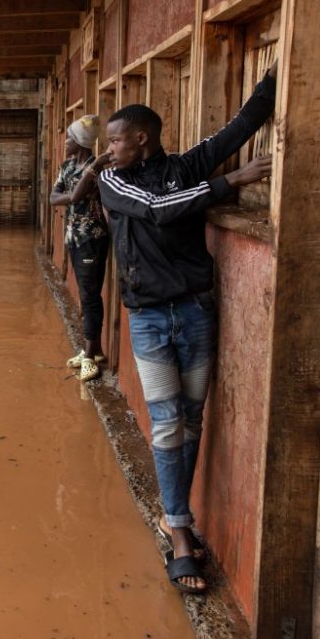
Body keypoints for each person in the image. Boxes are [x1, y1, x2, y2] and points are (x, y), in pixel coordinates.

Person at [79, 64, 278, 594]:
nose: (110, 148)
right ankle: (181, 530)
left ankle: (175, 515)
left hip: (195, 311)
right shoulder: (114, 180)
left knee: (192, 419)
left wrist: (276, 79)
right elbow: (159, 210)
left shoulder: (186, 166)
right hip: (147, 317)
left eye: (117, 139)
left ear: (141, 139)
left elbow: (239, 127)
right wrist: (232, 181)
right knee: (168, 423)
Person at [49, 115, 109, 381]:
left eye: (71, 138)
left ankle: (90, 357)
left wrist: (72, 194)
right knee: (87, 294)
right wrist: (70, 197)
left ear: (82, 142)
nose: (66, 142)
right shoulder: (67, 166)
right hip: (73, 237)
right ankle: (92, 350)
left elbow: (72, 196)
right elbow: (54, 198)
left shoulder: (98, 170)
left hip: (92, 238)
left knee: (90, 295)